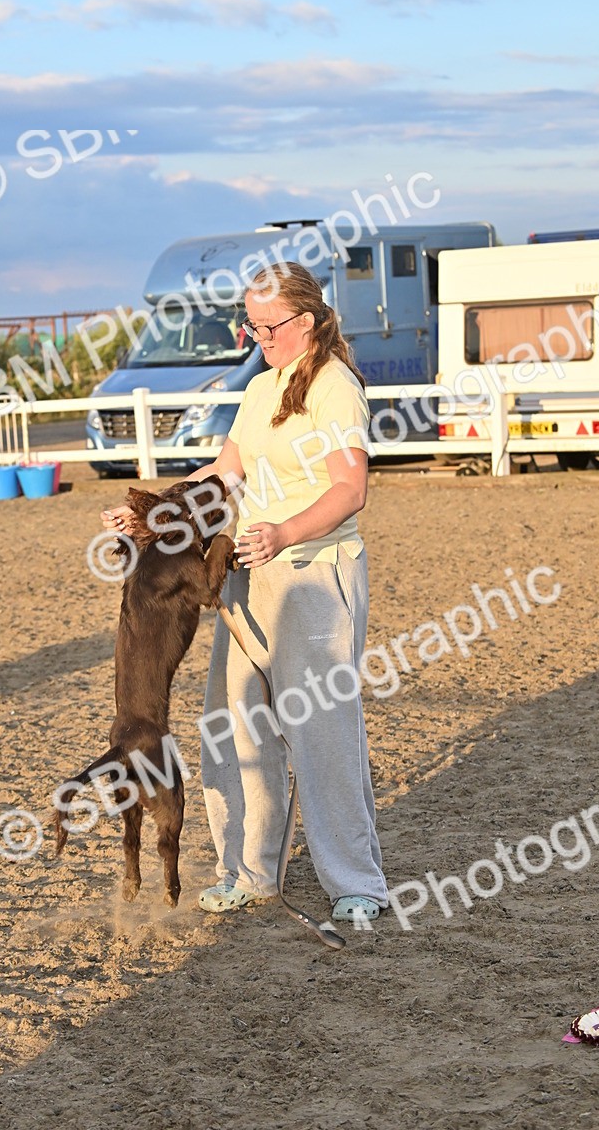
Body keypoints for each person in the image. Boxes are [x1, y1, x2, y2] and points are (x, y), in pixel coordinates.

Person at [102, 261, 388, 923]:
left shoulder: (335, 387)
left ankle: (355, 884)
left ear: (309, 322)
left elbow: (351, 489)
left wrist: (285, 531)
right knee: (235, 730)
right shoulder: (260, 388)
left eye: (271, 325)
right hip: (245, 577)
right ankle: (249, 871)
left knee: (321, 732)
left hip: (314, 575)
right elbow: (225, 475)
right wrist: (154, 516)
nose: (259, 336)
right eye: (252, 325)